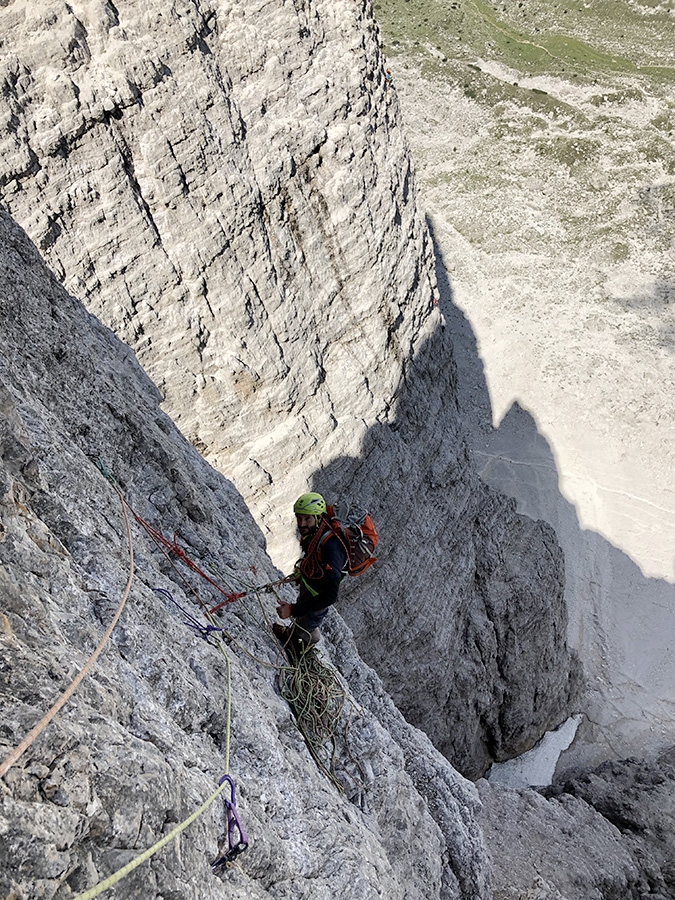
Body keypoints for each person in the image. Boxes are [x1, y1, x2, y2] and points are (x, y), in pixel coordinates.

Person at [275, 492, 347, 648]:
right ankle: (292, 633)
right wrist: (300, 574)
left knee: (308, 624)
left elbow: (330, 597)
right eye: (299, 518)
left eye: (307, 518)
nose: (302, 524)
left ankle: (301, 647)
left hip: (319, 595)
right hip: (311, 586)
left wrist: (292, 609)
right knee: (303, 618)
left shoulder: (332, 548)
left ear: (319, 517)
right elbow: (312, 558)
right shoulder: (314, 533)